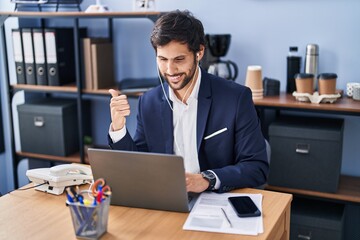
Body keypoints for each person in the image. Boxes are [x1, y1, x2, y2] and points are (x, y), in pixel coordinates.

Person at [108, 10, 269, 193]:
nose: (170, 70)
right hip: (168, 199)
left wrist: (206, 179)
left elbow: (257, 167)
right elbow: (138, 165)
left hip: (216, 200)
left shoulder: (235, 99)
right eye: (162, 59)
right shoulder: (148, 102)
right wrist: (119, 128)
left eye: (179, 59)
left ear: (199, 52)